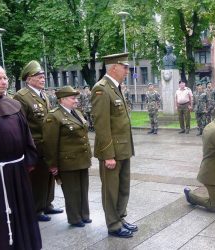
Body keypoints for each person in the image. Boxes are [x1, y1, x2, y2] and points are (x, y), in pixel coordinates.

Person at [0, 62, 42, 249]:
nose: (4, 82)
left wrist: (30, 159)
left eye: (5, 77)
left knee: (22, 213)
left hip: (18, 170)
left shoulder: (14, 104)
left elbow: (27, 136)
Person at [91, 53, 137, 238]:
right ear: (113, 68)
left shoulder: (115, 87)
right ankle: (113, 224)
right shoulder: (101, 89)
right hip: (112, 151)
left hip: (124, 148)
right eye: (124, 67)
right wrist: (108, 154)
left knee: (123, 186)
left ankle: (120, 217)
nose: (127, 71)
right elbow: (102, 126)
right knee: (111, 189)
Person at [14, 60, 63, 221]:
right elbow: (21, 124)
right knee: (37, 178)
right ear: (28, 79)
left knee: (48, 175)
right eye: (39, 77)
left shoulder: (44, 95)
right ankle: (36, 209)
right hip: (35, 145)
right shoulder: (22, 96)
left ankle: (47, 204)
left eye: (43, 76)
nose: (43, 79)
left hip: (47, 144)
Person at [42, 86, 92, 227]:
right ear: (62, 100)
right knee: (72, 191)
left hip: (82, 159)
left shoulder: (76, 112)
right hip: (67, 162)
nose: (76, 100)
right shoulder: (54, 116)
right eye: (72, 98)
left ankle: (84, 214)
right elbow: (50, 143)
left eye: (76, 97)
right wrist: (52, 164)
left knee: (83, 189)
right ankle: (75, 218)